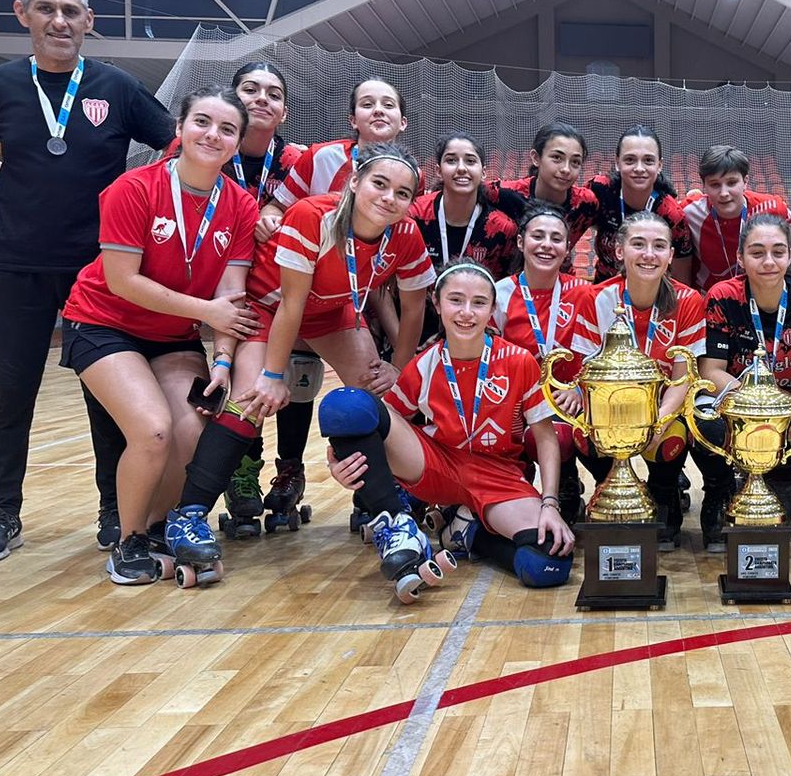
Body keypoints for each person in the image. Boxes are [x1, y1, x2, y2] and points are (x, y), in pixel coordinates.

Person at [0, 0, 175, 563]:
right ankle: (3, 512)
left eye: (70, 11)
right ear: (23, 15)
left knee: (106, 395)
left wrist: (135, 211)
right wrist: (24, 188)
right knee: (12, 393)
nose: (58, 20)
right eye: (46, 9)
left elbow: (174, 148)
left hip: (100, 270)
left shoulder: (116, 86)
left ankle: (114, 508)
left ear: (89, 21)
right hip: (14, 264)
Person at [161, 143, 436, 567]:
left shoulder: (405, 233)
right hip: (270, 306)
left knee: (373, 393)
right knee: (250, 398)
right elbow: (291, 304)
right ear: (354, 181)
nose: (389, 198)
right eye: (379, 184)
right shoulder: (313, 215)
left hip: (328, 309)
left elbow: (415, 306)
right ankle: (189, 513)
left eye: (402, 193)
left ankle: (385, 507)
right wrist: (273, 374)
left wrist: (396, 367)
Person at [59, 88, 261, 583]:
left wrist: (221, 362)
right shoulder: (134, 188)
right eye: (202, 122)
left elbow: (230, 301)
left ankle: (156, 528)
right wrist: (204, 310)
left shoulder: (238, 206)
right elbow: (122, 280)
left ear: (237, 144)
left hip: (173, 336)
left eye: (227, 129)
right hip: (102, 322)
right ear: (179, 129)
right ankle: (128, 541)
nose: (213, 135)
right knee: (153, 430)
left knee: (193, 429)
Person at [323, 260, 575, 595]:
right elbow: (379, 424)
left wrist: (550, 505)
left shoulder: (520, 361)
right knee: (346, 406)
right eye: (456, 300)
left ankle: (466, 532)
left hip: (497, 475)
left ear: (492, 310)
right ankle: (398, 523)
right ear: (437, 304)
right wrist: (338, 457)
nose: (467, 313)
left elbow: (545, 437)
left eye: (479, 303)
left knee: (548, 563)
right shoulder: (423, 365)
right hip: (438, 465)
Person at [207, 61, 317, 534]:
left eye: (273, 94)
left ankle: (290, 466)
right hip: (223, 288)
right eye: (250, 89)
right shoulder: (206, 149)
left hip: (284, 287)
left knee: (295, 372)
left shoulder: (299, 160)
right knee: (241, 380)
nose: (261, 99)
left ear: (285, 112)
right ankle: (243, 468)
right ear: (233, 98)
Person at [698, 213, 791, 550]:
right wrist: (767, 403)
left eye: (778, 252)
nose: (768, 261)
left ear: (790, 255)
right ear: (740, 258)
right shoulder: (722, 295)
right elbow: (711, 371)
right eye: (756, 252)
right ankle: (719, 489)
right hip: (740, 398)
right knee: (701, 418)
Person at [570, 212, 707, 548]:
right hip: (613, 407)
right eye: (638, 244)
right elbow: (587, 374)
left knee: (672, 436)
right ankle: (609, 487)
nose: (649, 254)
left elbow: (683, 377)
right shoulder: (596, 298)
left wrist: (657, 420)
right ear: (620, 251)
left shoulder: (688, 301)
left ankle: (664, 493)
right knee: (580, 432)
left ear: (671, 256)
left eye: (659, 246)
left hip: (664, 406)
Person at [491, 205, 590, 521]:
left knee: (567, 435)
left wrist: (578, 387)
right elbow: (491, 359)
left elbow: (601, 353)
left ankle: (568, 486)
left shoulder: (584, 292)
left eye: (556, 238)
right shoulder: (500, 293)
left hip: (574, 401)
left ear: (567, 247)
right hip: (518, 401)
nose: (547, 244)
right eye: (538, 236)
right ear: (521, 243)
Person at [409, 132, 518, 343]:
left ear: (483, 172)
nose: (461, 168)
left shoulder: (502, 229)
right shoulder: (415, 217)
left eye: (470, 160)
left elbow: (502, 291)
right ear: (439, 171)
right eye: (451, 160)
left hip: (473, 331)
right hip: (416, 329)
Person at [270, 77, 408, 210]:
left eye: (388, 105)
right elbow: (277, 207)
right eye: (367, 104)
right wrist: (271, 219)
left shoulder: (412, 175)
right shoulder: (319, 157)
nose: (378, 110)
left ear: (403, 123)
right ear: (353, 120)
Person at [586, 123, 694, 283]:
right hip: (603, 292)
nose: (639, 168)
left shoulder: (671, 215)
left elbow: (681, 279)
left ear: (659, 165)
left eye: (648, 161)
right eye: (630, 160)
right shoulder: (600, 191)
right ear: (617, 162)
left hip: (652, 299)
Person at [682, 145, 791, 292]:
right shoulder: (689, 212)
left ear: (745, 181)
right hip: (709, 299)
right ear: (704, 186)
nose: (724, 193)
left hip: (762, 297)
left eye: (731, 183)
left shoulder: (772, 208)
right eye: (714, 184)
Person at [487, 122, 603, 259]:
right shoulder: (501, 194)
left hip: (557, 278)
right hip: (506, 278)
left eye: (575, 162)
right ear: (536, 158)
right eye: (557, 158)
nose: (566, 169)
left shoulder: (586, 203)